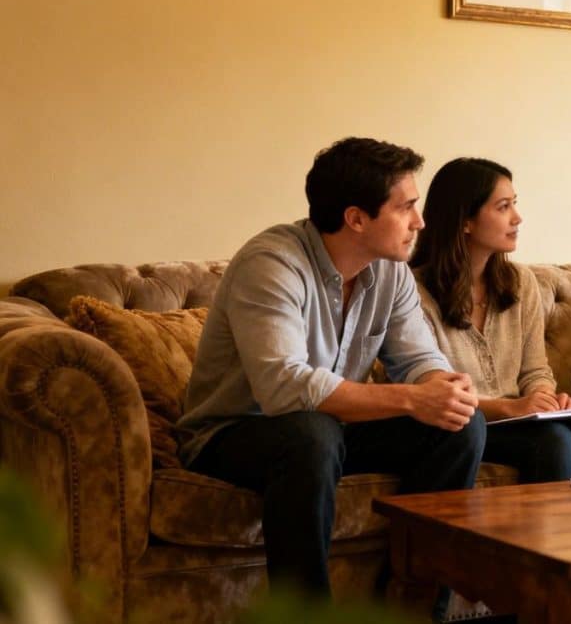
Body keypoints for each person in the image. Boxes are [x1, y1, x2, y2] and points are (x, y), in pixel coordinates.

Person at [177, 137, 486, 598]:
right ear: (356, 218)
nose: (420, 222)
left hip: (329, 428)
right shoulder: (272, 263)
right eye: (406, 208)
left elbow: (419, 358)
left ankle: (412, 602)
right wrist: (411, 398)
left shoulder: (390, 270)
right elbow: (283, 387)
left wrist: (443, 387)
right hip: (235, 432)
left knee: (461, 426)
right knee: (310, 434)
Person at [411, 157, 571, 483]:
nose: (517, 218)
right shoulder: (414, 292)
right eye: (503, 207)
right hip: (463, 426)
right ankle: (534, 537)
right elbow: (431, 391)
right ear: (465, 220)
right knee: (555, 441)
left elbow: (535, 370)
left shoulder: (521, 282)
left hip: (521, 418)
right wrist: (513, 407)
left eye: (515, 204)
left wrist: (549, 400)